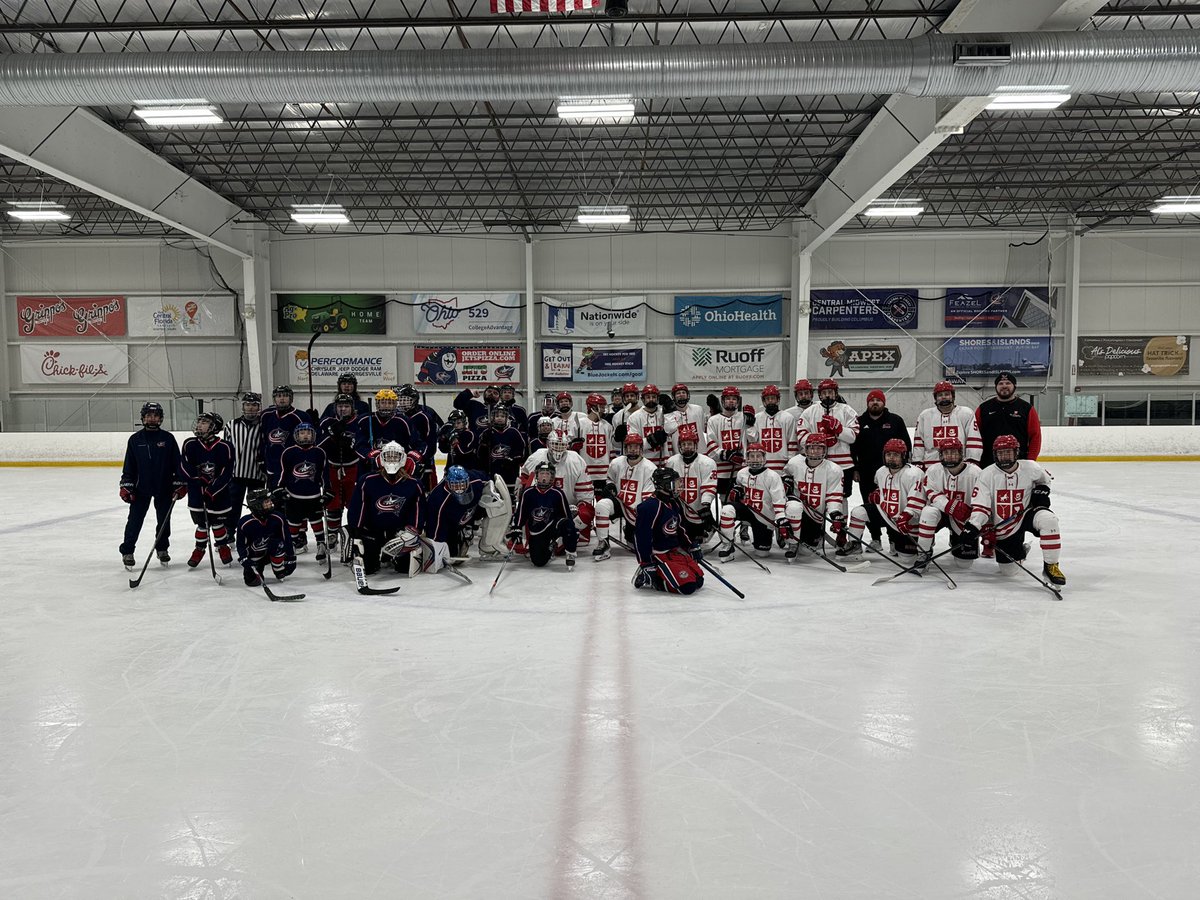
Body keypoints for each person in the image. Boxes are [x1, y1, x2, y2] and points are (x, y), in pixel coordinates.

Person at [963, 434, 1065, 585]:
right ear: (995, 454)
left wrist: (1042, 490)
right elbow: (981, 506)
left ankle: (1051, 566)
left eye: (1008, 452)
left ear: (1016, 452)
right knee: (1008, 572)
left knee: (1048, 519)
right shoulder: (986, 475)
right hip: (1004, 525)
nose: (1004, 456)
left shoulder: (1031, 467)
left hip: (1025, 515)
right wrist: (974, 526)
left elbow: (1045, 480)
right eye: (1001, 453)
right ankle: (1021, 551)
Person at [838, 438, 925, 561]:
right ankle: (854, 545)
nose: (891, 458)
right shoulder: (881, 471)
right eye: (888, 454)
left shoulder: (915, 474)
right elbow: (882, 488)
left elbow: (917, 500)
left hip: (906, 522)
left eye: (896, 455)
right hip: (886, 514)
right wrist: (877, 493)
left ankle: (900, 542)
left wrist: (907, 515)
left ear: (904, 456)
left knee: (907, 560)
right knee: (859, 512)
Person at [119, 401, 183, 568]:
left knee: (164, 520)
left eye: (155, 416)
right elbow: (129, 466)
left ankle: (162, 549)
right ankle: (128, 551)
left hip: (164, 487)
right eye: (148, 416)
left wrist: (179, 483)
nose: (152, 419)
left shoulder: (168, 439)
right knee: (134, 520)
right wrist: (126, 485)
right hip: (141, 489)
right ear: (143, 418)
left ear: (161, 418)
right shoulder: (135, 440)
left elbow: (178, 464)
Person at [347, 442, 425, 576]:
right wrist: (355, 530)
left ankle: (392, 557)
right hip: (372, 531)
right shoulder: (367, 480)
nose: (392, 460)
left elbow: (419, 510)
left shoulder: (414, 484)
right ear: (382, 459)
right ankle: (377, 555)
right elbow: (358, 507)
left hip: (399, 534)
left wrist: (413, 530)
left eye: (395, 457)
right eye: (388, 457)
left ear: (403, 459)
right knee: (369, 568)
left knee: (404, 569)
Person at [851, 389, 910, 551]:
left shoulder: (895, 420)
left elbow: (907, 444)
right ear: (867, 403)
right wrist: (855, 469)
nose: (875, 402)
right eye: (872, 400)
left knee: (892, 504)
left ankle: (893, 539)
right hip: (866, 472)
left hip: (892, 472)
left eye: (878, 400)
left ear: (884, 403)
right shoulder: (859, 421)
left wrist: (905, 467)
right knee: (869, 504)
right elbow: (853, 448)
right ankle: (875, 538)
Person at [914, 437, 983, 570]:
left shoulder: (976, 473)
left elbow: (982, 501)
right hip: (941, 512)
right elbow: (931, 493)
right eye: (946, 453)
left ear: (961, 454)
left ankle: (955, 538)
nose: (950, 456)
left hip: (965, 517)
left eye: (954, 452)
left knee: (964, 565)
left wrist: (978, 523)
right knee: (928, 512)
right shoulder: (933, 470)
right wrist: (951, 506)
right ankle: (924, 552)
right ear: (941, 455)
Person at [633, 468, 705, 594]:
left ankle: (665, 573)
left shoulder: (673, 503)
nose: (679, 486)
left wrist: (691, 546)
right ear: (666, 485)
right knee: (687, 587)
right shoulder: (649, 507)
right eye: (676, 483)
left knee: (698, 581)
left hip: (673, 552)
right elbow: (641, 537)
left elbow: (680, 528)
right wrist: (646, 562)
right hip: (658, 555)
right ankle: (650, 578)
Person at [179, 411, 236, 568]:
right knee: (202, 525)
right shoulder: (189, 444)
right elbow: (184, 465)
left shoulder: (225, 447)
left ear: (214, 427)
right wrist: (197, 479)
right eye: (199, 422)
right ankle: (199, 549)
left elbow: (227, 473)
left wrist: (212, 490)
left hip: (219, 495)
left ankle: (222, 546)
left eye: (204, 423)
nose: (199, 425)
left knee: (217, 523)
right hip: (197, 494)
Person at [520, 430, 595, 543]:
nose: (558, 448)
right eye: (555, 444)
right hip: (540, 508)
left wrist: (579, 509)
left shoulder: (576, 460)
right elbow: (524, 482)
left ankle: (570, 533)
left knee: (586, 513)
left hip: (568, 509)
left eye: (561, 445)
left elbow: (585, 495)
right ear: (548, 444)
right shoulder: (536, 457)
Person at [592, 432, 657, 561]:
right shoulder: (616, 463)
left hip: (637, 509)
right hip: (619, 502)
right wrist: (610, 486)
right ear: (625, 448)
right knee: (601, 505)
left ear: (641, 449)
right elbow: (610, 480)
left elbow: (648, 498)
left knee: (634, 544)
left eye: (636, 447)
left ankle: (629, 528)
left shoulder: (650, 468)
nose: (632, 449)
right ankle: (603, 541)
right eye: (629, 447)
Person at [781, 432, 846, 560]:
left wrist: (834, 514)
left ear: (825, 450)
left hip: (816, 515)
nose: (815, 451)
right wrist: (785, 482)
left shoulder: (834, 470)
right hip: (795, 508)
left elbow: (834, 495)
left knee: (806, 551)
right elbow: (784, 478)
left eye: (819, 448)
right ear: (806, 449)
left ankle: (814, 534)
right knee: (793, 507)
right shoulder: (794, 463)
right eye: (811, 447)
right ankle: (792, 543)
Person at [717, 442, 787, 559]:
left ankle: (771, 533)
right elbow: (738, 491)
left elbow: (779, 499)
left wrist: (780, 518)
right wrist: (736, 492)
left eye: (758, 456)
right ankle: (727, 544)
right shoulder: (741, 473)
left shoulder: (773, 476)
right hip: (747, 510)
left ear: (764, 458)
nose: (755, 459)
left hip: (764, 516)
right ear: (747, 458)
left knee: (762, 553)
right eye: (751, 456)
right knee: (727, 509)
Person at [795, 377, 858, 499]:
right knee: (820, 496)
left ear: (836, 393)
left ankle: (840, 519)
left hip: (844, 465)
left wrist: (839, 429)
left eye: (830, 392)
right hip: (818, 463)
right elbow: (801, 437)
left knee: (841, 498)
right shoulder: (809, 412)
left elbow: (854, 437)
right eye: (824, 393)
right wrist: (816, 440)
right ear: (819, 395)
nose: (827, 395)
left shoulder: (847, 410)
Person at [275, 421, 329, 559]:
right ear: (296, 435)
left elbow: (324, 474)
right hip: (294, 496)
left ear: (314, 435)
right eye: (302, 433)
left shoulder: (319, 452)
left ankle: (321, 544)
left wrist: (328, 490)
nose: (305, 436)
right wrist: (280, 488)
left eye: (308, 433)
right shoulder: (288, 452)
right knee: (293, 521)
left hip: (314, 495)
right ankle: (291, 545)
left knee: (316, 520)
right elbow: (283, 473)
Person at [508, 461, 578, 568]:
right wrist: (516, 529)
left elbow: (567, 515)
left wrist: (571, 532)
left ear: (552, 477)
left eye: (547, 474)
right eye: (541, 473)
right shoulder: (528, 493)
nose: (544, 476)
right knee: (539, 562)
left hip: (553, 526)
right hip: (536, 531)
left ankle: (570, 554)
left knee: (568, 525)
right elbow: (521, 513)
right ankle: (551, 545)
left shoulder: (557, 493)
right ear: (537, 475)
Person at [317, 393, 360, 553]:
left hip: (353, 468)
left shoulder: (359, 422)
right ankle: (333, 534)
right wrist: (331, 435)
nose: (343, 409)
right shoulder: (328, 422)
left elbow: (362, 444)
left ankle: (354, 532)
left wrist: (351, 444)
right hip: (332, 468)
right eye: (340, 406)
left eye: (346, 406)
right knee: (333, 502)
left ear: (352, 408)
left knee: (354, 503)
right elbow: (319, 445)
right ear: (335, 408)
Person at [975, 371, 1042, 468]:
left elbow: (1035, 437)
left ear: (1014, 386)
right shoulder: (983, 408)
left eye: (1008, 383)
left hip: (1019, 464)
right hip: (988, 463)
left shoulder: (1027, 408)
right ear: (996, 387)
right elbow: (975, 436)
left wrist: (1030, 462)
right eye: (1001, 383)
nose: (1004, 386)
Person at [912, 381, 983, 469]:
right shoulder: (925, 415)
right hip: (931, 467)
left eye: (947, 394)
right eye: (940, 395)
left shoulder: (966, 413)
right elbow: (919, 442)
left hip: (959, 466)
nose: (943, 397)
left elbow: (973, 440)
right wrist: (918, 462)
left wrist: (973, 460)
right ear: (935, 398)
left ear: (953, 396)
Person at [425, 465, 491, 560]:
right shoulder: (437, 498)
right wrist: (436, 550)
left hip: (470, 512)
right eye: (455, 485)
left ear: (468, 480)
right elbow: (435, 527)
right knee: (453, 554)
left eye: (463, 484)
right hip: (450, 523)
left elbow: (490, 481)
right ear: (447, 483)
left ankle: (470, 526)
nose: (460, 489)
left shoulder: (476, 478)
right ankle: (460, 533)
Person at [664, 434, 718, 547]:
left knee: (693, 541)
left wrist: (706, 506)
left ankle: (704, 529)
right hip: (679, 507)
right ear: (679, 446)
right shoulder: (671, 462)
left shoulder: (708, 463)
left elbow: (708, 486)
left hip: (697, 509)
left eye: (690, 444)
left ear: (696, 445)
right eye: (684, 444)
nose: (687, 447)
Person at [235, 489, 296, 587]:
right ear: (257, 505)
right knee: (252, 581)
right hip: (255, 554)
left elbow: (287, 539)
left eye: (270, 500)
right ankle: (257, 567)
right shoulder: (245, 523)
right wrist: (244, 559)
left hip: (272, 550)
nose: (271, 503)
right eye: (266, 501)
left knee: (278, 543)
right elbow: (241, 544)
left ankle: (278, 569)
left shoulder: (278, 517)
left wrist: (291, 557)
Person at [227, 392, 267, 537]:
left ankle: (257, 533)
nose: (251, 408)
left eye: (254, 405)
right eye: (248, 404)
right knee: (233, 507)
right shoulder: (231, 425)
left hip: (257, 474)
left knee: (258, 507)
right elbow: (227, 450)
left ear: (259, 407)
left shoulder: (264, 425)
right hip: (236, 474)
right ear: (243, 406)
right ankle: (229, 533)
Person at [259, 385, 310, 489]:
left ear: (291, 398)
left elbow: (309, 441)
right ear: (274, 399)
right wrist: (261, 459)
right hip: (272, 465)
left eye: (285, 396)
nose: (282, 399)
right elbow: (262, 439)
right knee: (274, 499)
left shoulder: (301, 416)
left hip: (293, 466)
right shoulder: (266, 415)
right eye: (279, 396)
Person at [706, 385, 750, 500]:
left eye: (734, 399)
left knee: (743, 501)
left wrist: (751, 423)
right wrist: (726, 454)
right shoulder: (713, 420)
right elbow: (711, 446)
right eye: (728, 398)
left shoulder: (744, 417)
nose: (731, 401)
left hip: (742, 470)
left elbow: (753, 439)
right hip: (722, 472)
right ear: (722, 400)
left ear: (738, 401)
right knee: (726, 503)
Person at [568, 392, 614, 488]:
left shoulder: (608, 426)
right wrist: (573, 447)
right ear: (593, 408)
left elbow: (611, 449)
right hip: (584, 471)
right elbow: (568, 445)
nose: (603, 410)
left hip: (604, 474)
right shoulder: (578, 424)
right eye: (601, 407)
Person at [476, 404, 526, 489]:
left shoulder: (514, 432)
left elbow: (521, 451)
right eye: (497, 416)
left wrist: (514, 460)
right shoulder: (487, 433)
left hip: (511, 473)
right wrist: (484, 444)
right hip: (492, 472)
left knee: (510, 497)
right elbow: (480, 456)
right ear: (493, 418)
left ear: (507, 418)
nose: (500, 418)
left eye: (502, 416)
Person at [354, 388, 413, 460]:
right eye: (383, 402)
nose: (386, 406)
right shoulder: (364, 420)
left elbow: (416, 443)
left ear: (395, 405)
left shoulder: (404, 421)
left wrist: (411, 456)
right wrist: (369, 454)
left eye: (390, 403)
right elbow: (359, 446)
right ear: (377, 404)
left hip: (396, 462)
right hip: (370, 465)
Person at [751, 384, 796, 472]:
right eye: (768, 399)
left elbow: (792, 442)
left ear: (778, 399)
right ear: (764, 401)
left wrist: (790, 465)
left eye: (773, 398)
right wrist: (749, 427)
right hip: (762, 465)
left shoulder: (788, 417)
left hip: (783, 466)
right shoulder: (757, 418)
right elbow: (753, 441)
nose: (770, 401)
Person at [627, 384, 669, 465]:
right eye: (648, 397)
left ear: (658, 399)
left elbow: (672, 429)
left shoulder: (664, 413)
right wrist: (651, 440)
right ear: (642, 399)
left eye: (653, 397)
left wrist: (670, 409)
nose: (651, 399)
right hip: (643, 462)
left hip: (664, 461)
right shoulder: (634, 417)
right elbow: (633, 443)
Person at [663, 382, 708, 455]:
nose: (681, 395)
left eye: (683, 392)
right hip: (679, 455)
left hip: (700, 453)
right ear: (673, 397)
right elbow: (668, 431)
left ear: (688, 395)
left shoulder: (698, 409)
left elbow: (702, 429)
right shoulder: (669, 415)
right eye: (678, 393)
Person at [609, 382, 642, 451]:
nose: (629, 398)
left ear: (637, 397)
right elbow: (615, 444)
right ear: (623, 398)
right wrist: (617, 438)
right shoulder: (617, 416)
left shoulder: (644, 413)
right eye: (627, 396)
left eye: (632, 395)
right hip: (626, 454)